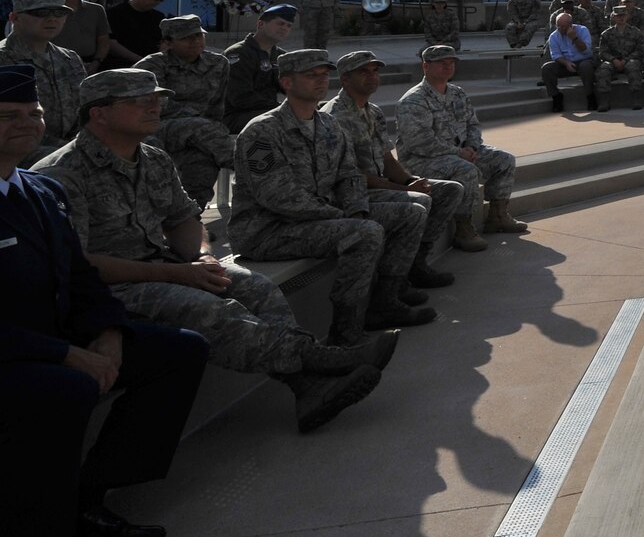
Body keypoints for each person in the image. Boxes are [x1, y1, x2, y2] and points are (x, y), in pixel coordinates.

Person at [42, 69, 391, 434]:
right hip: (108, 290)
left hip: (166, 265)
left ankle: (308, 388)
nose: (155, 107)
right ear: (99, 113)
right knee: (209, 309)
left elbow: (185, 219)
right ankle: (322, 361)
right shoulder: (63, 174)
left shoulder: (153, 158)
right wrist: (177, 272)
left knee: (255, 287)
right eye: (139, 101)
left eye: (156, 99)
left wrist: (201, 256)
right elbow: (76, 266)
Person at [0, 65, 208, 537]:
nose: (25, 124)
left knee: (180, 351)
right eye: (8, 116)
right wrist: (67, 353)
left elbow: (82, 277)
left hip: (62, 339)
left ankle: (88, 503)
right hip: (16, 354)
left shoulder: (37, 191)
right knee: (64, 388)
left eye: (32, 115)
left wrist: (109, 334)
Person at [230, 50, 433, 344]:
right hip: (268, 230)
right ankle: (345, 327)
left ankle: (385, 300)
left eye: (324, 75)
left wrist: (357, 210)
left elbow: (348, 175)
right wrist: (342, 217)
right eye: (311, 75)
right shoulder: (262, 131)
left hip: (317, 219)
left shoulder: (327, 125)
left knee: (410, 213)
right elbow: (279, 198)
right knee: (364, 234)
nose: (321, 81)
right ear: (286, 82)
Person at [324, 50, 470, 271]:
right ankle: (394, 279)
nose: (372, 76)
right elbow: (350, 175)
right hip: (352, 194)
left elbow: (385, 157)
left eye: (375, 71)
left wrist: (410, 180)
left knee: (450, 190)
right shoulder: (334, 117)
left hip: (379, 185)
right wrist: (402, 188)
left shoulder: (373, 111)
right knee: (419, 203)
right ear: (345, 79)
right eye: (364, 71)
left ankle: (418, 260)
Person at [398, 46, 525, 236]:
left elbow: (473, 124)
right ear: (426, 66)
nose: (448, 67)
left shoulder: (457, 93)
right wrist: (460, 154)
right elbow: (419, 143)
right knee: (466, 170)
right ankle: (463, 228)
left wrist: (471, 147)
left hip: (460, 152)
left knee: (504, 159)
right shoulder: (414, 100)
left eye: (451, 63)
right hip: (421, 160)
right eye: (442, 63)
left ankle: (497, 216)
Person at [133, 15, 234, 210]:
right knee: (202, 128)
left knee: (202, 163)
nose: (195, 41)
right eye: (187, 38)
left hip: (202, 132)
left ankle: (190, 219)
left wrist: (212, 125)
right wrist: (200, 120)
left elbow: (217, 103)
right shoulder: (151, 66)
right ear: (168, 43)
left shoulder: (218, 63)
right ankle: (257, 171)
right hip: (157, 127)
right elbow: (154, 105)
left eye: (199, 36)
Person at [1, 0, 85, 164]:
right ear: (14, 18)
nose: (52, 19)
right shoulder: (3, 58)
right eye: (40, 13)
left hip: (68, 148)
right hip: (14, 151)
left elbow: (83, 108)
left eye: (59, 13)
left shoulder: (69, 58)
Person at [223, 3, 295, 131]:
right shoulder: (238, 54)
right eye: (280, 23)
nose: (285, 28)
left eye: (288, 26)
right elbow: (240, 98)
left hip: (267, 111)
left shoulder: (281, 56)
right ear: (261, 24)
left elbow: (292, 87)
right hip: (236, 116)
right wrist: (280, 107)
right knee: (289, 119)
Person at [50, 0, 111, 73]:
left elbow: (104, 40)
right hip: (55, 64)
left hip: (88, 64)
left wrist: (96, 62)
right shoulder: (48, 10)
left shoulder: (96, 10)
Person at [103, 0, 170, 70]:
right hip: (121, 67)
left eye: (161, 1)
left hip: (150, 67)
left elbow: (163, 42)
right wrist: (141, 60)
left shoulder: (158, 17)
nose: (157, 3)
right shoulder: (114, 13)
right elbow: (111, 44)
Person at [540, 11, 599, 113]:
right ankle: (556, 97)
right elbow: (556, 55)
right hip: (565, 64)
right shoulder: (554, 36)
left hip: (583, 60)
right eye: (559, 27)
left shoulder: (583, 30)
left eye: (564, 27)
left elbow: (586, 51)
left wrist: (575, 38)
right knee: (547, 68)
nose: (562, 29)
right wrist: (566, 63)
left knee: (586, 66)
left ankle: (590, 96)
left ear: (571, 25)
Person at [594, 5, 644, 110]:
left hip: (629, 60)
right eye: (618, 16)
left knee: (633, 66)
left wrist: (625, 60)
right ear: (614, 17)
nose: (621, 18)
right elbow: (602, 52)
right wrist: (613, 60)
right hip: (613, 62)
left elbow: (640, 50)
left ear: (627, 16)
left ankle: (636, 99)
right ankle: (604, 101)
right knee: (604, 69)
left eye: (623, 15)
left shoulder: (635, 32)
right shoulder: (606, 34)